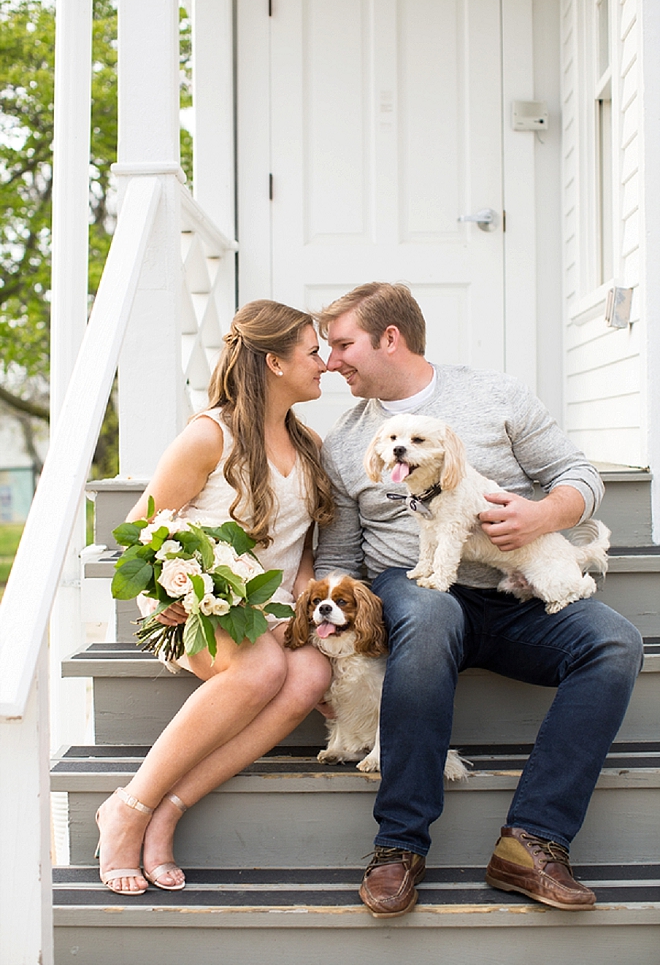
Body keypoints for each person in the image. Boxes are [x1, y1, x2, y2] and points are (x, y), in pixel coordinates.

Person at [313, 282, 643, 917]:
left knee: (615, 641)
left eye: (343, 344)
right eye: (328, 349)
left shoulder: (498, 395)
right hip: (414, 594)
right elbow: (337, 559)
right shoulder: (346, 442)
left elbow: (580, 475)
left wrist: (543, 514)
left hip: (518, 590)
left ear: (391, 338)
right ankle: (399, 847)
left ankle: (533, 841)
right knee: (432, 612)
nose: (331, 361)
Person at [95, 300, 334, 894]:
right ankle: (128, 807)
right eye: (313, 352)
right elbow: (140, 534)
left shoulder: (308, 444)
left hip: (272, 610)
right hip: (196, 607)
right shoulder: (209, 436)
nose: (325, 364)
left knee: (307, 678)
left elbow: (300, 551)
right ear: (275, 363)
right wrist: (174, 595)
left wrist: (305, 613)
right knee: (259, 671)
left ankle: (171, 808)